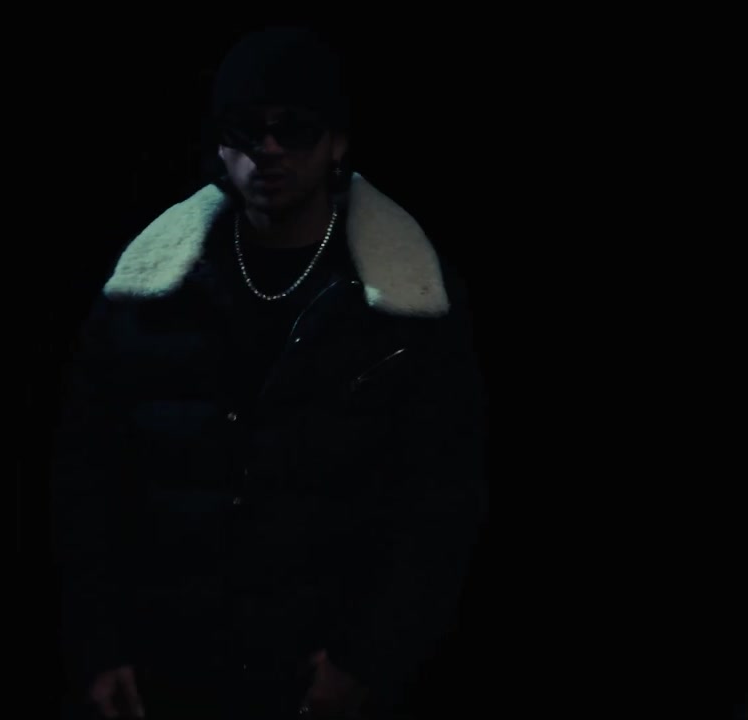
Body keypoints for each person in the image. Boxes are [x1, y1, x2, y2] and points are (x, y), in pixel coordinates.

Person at [52, 27, 487, 719]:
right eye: (247, 130)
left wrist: (366, 659)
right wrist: (100, 645)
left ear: (336, 142)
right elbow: (88, 475)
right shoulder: (147, 293)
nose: (270, 149)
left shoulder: (404, 304)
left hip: (320, 673)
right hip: (173, 669)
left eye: (295, 128)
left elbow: (439, 499)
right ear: (220, 144)